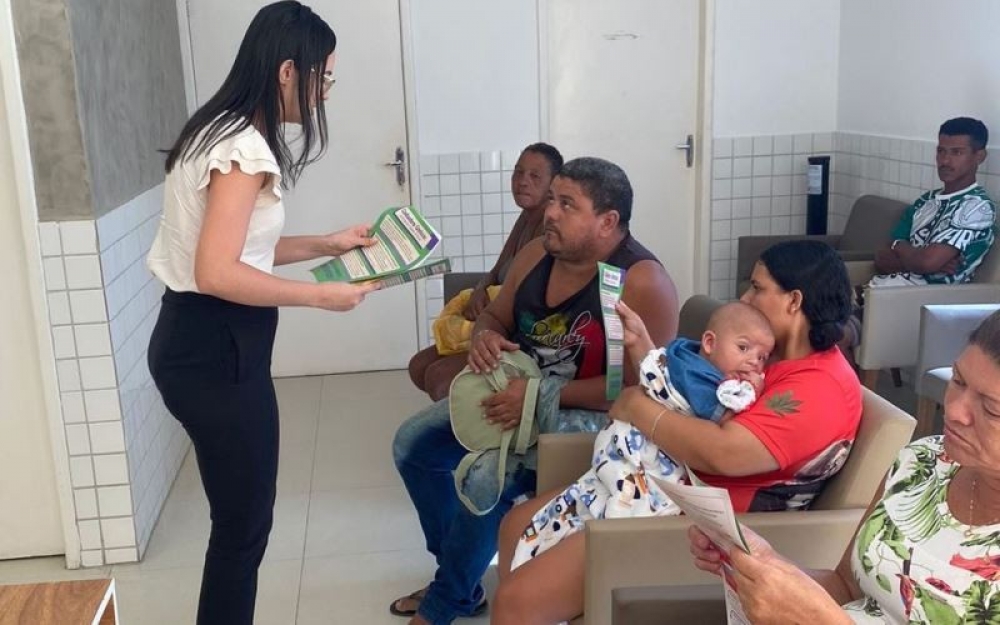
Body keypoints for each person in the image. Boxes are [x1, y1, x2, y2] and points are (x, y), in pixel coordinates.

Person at [146, 3, 378, 623]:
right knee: (244, 527)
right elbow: (217, 272)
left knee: (241, 519)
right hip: (216, 349)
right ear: (286, 72)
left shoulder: (216, 129)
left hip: (198, 342)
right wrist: (319, 296)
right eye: (322, 76)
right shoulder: (245, 149)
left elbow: (236, 249)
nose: (325, 91)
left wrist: (325, 245)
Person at [492, 240, 863, 625]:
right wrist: (647, 355)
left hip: (697, 527)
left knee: (515, 602)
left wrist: (637, 407)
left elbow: (723, 452)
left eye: (757, 287)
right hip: (671, 488)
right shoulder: (771, 358)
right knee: (515, 527)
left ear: (793, 300)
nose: (744, 297)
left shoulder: (820, 387)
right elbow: (698, 399)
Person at [390, 157, 680, 624]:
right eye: (552, 200)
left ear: (608, 222)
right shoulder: (535, 256)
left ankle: (442, 604)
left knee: (487, 478)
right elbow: (494, 316)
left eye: (568, 204)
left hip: (592, 416)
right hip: (516, 395)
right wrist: (484, 335)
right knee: (413, 445)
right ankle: (458, 579)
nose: (551, 213)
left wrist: (539, 394)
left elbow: (642, 389)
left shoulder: (641, 281)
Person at [690, 309, 1000, 624]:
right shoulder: (921, 463)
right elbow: (847, 585)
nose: (955, 410)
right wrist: (768, 568)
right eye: (958, 381)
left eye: (991, 410)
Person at [509, 302, 774, 569]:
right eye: (743, 348)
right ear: (708, 342)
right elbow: (725, 418)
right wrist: (753, 388)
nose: (754, 361)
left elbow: (655, 372)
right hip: (639, 452)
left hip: (623, 446)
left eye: (763, 357)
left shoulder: (682, 354)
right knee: (609, 515)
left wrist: (638, 342)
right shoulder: (707, 382)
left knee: (572, 515)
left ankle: (574, 546)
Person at [408, 143, 564, 401]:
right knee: (418, 366)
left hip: (519, 338)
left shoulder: (550, 230)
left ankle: (479, 434)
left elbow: (534, 300)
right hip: (494, 321)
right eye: (518, 172)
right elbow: (497, 270)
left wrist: (491, 315)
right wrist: (480, 290)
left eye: (534, 176)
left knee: (438, 379)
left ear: (553, 185)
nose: (522, 182)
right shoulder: (526, 216)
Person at [842, 117, 996, 359]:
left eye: (957, 152)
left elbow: (926, 263)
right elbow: (883, 258)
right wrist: (916, 256)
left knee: (830, 333)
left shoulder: (977, 207)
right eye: (941, 151)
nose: (945, 161)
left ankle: (846, 394)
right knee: (807, 317)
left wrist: (905, 251)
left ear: (979, 156)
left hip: (923, 304)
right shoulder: (926, 202)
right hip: (882, 293)